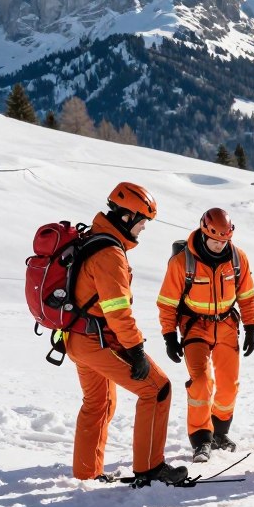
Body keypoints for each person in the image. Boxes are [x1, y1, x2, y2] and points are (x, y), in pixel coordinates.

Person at [65, 182, 187, 486]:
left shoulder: (93, 237)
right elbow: (118, 311)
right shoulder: (109, 253)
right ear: (128, 216)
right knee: (157, 389)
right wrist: (135, 351)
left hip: (76, 338)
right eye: (143, 221)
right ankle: (149, 469)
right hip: (97, 341)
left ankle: (86, 474)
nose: (143, 228)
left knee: (99, 402)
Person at [157, 208, 254, 463]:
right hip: (195, 327)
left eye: (224, 241)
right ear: (204, 232)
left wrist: (251, 327)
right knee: (201, 382)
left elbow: (246, 296)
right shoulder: (183, 261)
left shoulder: (238, 259)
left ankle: (220, 433)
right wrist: (169, 336)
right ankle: (201, 439)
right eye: (214, 240)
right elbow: (167, 302)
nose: (218, 245)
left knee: (228, 385)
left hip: (226, 325)